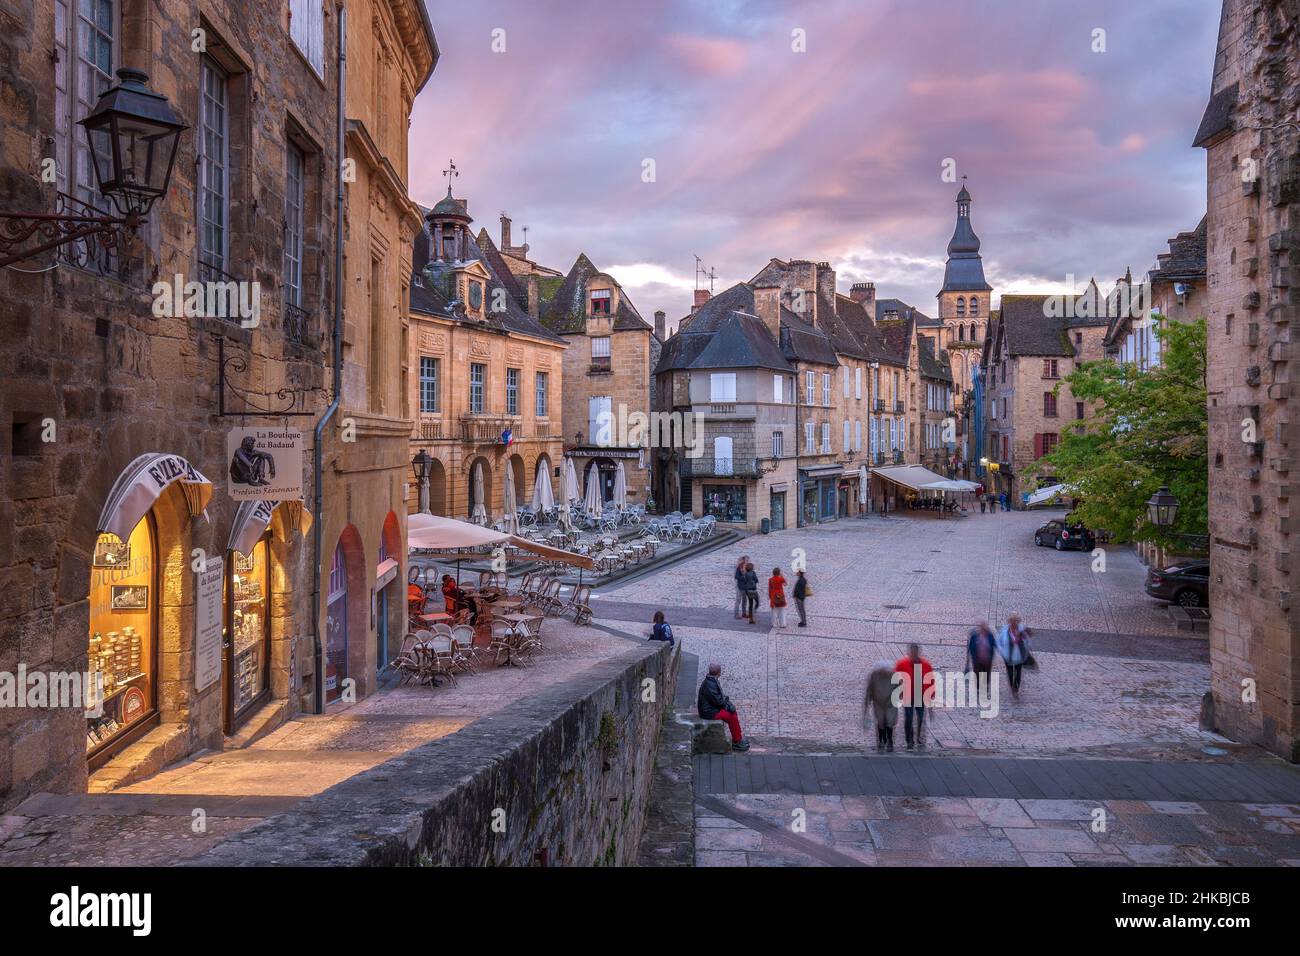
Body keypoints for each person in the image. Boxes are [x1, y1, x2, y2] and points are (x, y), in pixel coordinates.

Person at [697, 663, 749, 751]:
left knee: (733, 712)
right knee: (731, 716)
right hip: (709, 712)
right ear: (719, 673)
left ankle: (738, 738)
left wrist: (727, 703)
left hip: (711, 708)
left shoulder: (711, 680)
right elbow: (719, 701)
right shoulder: (710, 684)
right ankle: (737, 742)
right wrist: (727, 703)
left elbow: (718, 699)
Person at [893, 643, 934, 751]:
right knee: (909, 718)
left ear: (918, 652)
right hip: (907, 695)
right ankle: (909, 740)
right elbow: (895, 679)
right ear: (909, 652)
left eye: (916, 652)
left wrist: (931, 695)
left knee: (920, 717)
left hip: (920, 695)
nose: (914, 654)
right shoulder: (901, 664)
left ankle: (918, 736)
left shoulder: (926, 665)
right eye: (912, 652)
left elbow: (931, 680)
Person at [863, 659, 898, 752]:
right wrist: (867, 702)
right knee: (881, 721)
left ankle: (890, 741)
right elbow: (870, 689)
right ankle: (882, 740)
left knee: (890, 721)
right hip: (878, 703)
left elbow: (900, 688)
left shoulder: (894, 676)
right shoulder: (874, 675)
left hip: (891, 703)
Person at [996, 614, 1033, 696]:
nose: (1014, 623)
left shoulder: (1022, 631)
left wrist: (1025, 648)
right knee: (1010, 673)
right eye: (1012, 621)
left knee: (1018, 673)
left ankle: (1016, 688)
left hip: (1019, 656)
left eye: (1016, 621)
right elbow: (998, 642)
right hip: (1008, 656)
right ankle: (1012, 686)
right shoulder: (1004, 631)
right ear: (1009, 622)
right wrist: (1002, 651)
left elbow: (1028, 642)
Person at [966, 620, 997, 696]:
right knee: (977, 674)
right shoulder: (974, 636)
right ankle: (978, 688)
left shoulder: (990, 635)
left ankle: (985, 688)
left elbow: (994, 644)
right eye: (981, 627)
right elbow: (970, 647)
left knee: (986, 675)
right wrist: (968, 658)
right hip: (976, 659)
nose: (983, 628)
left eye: (984, 627)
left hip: (987, 659)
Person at [733, 555, 750, 619]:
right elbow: (736, 577)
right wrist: (743, 577)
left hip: (746, 587)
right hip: (739, 587)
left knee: (745, 601)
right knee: (738, 600)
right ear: (744, 560)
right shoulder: (739, 567)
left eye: (748, 560)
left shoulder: (749, 568)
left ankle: (744, 613)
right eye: (747, 560)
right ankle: (736, 614)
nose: (748, 561)